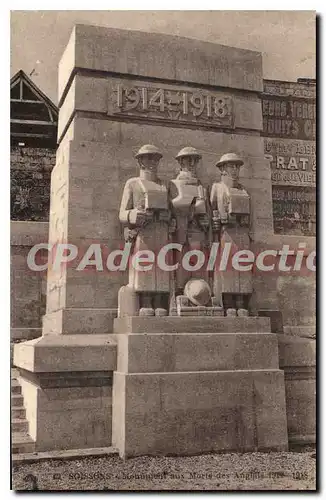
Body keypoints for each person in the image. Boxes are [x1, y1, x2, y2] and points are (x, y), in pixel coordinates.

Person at [118, 144, 170, 316]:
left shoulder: (165, 184)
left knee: (161, 266)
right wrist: (134, 214)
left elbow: (173, 210)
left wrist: (167, 216)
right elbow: (122, 213)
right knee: (145, 266)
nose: (152, 162)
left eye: (155, 158)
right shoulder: (133, 183)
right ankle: (146, 300)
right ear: (140, 161)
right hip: (143, 232)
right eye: (148, 158)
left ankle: (159, 300)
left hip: (161, 231)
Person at [210, 153, 252, 316]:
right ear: (222, 169)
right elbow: (211, 210)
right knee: (227, 268)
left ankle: (241, 301)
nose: (234, 170)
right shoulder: (217, 188)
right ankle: (228, 302)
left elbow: (252, 215)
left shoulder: (243, 190)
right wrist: (218, 220)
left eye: (237, 166)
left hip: (241, 234)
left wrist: (246, 224)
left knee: (242, 268)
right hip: (226, 234)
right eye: (231, 166)